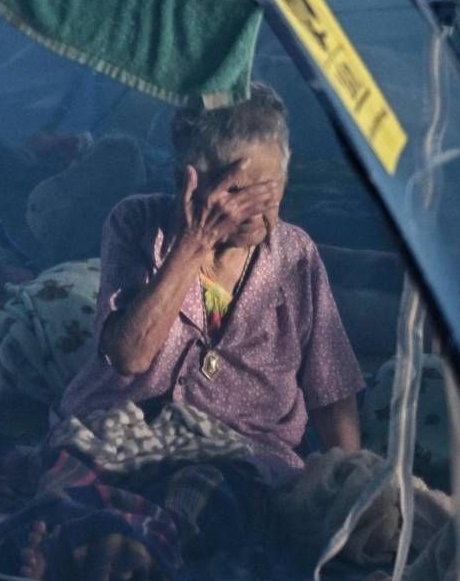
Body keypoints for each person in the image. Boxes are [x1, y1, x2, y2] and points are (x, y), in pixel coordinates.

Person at [56, 84, 364, 485]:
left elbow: (331, 387)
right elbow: (129, 356)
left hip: (245, 457)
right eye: (235, 191)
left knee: (206, 493)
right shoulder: (135, 222)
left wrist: (350, 483)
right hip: (120, 433)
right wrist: (193, 243)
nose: (253, 210)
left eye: (268, 189)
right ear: (187, 181)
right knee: (77, 491)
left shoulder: (295, 255)